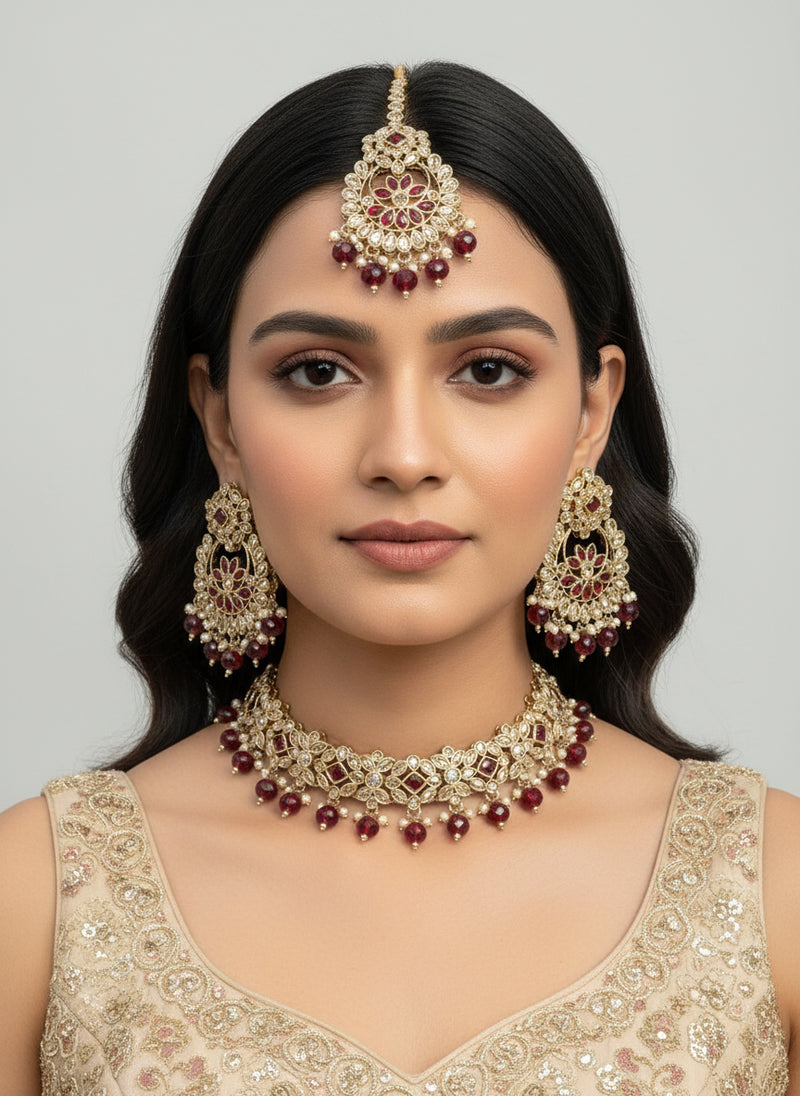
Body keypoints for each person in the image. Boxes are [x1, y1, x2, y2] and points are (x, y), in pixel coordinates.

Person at [1, 61, 797, 1094]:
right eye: (318, 372)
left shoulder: (768, 888)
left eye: (488, 371)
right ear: (220, 421)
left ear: (590, 415)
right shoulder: (43, 897)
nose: (404, 455)